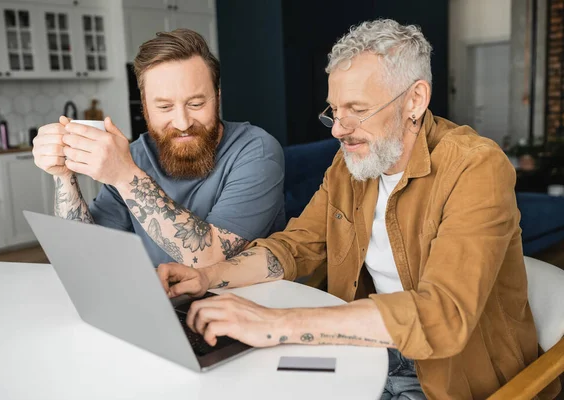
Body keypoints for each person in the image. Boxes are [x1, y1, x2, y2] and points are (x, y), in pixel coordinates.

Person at [155, 20, 561, 400]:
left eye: (357, 109)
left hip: (455, 377)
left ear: (414, 100)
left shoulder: (476, 167)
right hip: (375, 347)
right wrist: (207, 276)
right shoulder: (351, 165)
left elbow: (444, 315)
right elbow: (296, 247)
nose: (337, 128)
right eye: (334, 109)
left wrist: (277, 325)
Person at [32, 29, 285, 268]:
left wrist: (125, 176)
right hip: (163, 303)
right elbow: (85, 255)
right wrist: (64, 177)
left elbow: (209, 260)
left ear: (217, 97)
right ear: (144, 107)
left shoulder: (257, 151)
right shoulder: (136, 156)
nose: (183, 122)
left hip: (241, 306)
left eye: (196, 104)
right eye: (164, 107)